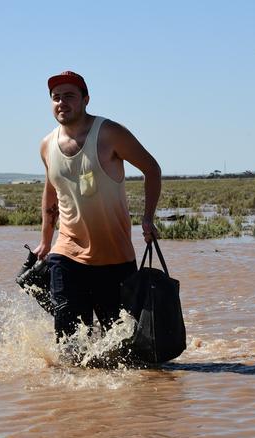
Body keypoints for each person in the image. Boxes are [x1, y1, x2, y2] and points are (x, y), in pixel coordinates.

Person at [33, 70, 162, 343]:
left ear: (86, 99)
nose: (62, 103)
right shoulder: (47, 145)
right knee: (69, 343)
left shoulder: (110, 134)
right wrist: (45, 241)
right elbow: (51, 193)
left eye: (69, 96)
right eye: (56, 97)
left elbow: (152, 169)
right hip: (67, 254)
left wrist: (148, 219)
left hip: (114, 259)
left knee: (121, 348)